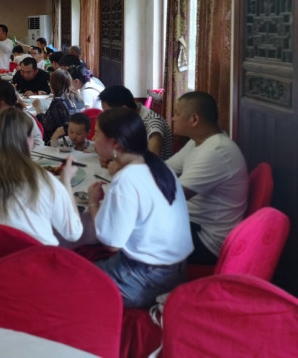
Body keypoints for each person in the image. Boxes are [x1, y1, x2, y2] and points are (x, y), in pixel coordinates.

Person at [87, 109, 192, 308]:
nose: (93, 138)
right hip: (175, 270)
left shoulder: (127, 179)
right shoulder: (159, 167)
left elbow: (111, 243)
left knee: (70, 278)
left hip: (144, 279)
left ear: (115, 143)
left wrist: (93, 202)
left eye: (97, 133)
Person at [0, 107, 83, 244]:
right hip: (36, 255)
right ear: (26, 140)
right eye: (31, 136)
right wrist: (66, 181)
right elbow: (73, 232)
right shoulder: (44, 179)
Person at [168, 91, 248, 265]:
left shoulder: (217, 151)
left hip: (206, 240)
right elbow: (164, 169)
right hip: (189, 222)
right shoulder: (196, 142)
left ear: (194, 119)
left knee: (137, 230)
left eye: (177, 113)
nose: (173, 118)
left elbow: (172, 196)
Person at [98, 85, 173, 159]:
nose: (108, 117)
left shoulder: (152, 122)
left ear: (124, 110)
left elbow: (152, 159)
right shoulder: (127, 120)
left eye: (109, 113)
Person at [33, 69, 78, 145]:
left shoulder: (57, 103)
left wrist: (38, 109)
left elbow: (44, 126)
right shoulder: (75, 97)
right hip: (75, 138)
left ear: (52, 85)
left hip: (60, 142)